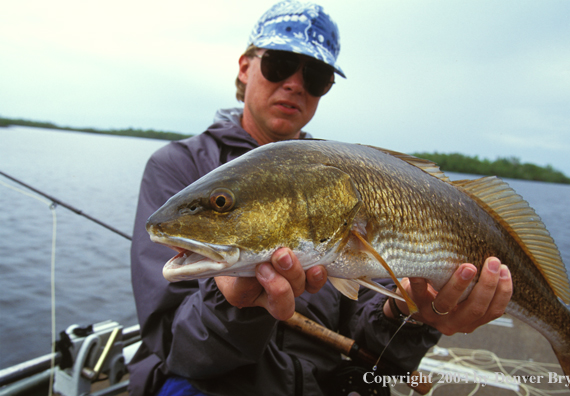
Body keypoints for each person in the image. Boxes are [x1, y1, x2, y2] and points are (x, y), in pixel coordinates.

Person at [128, 2, 513, 395]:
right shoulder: (177, 165)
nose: (295, 83)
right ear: (245, 67)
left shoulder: (339, 185)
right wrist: (235, 307)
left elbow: (376, 344)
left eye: (316, 75)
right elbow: (174, 346)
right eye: (279, 64)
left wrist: (410, 314)